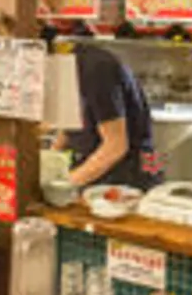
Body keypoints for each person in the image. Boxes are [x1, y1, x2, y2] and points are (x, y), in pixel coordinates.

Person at [52, 42, 161, 189]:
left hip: (128, 173)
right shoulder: (63, 67)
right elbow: (69, 127)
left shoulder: (97, 68)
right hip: (92, 167)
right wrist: (49, 162)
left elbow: (115, 146)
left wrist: (62, 185)